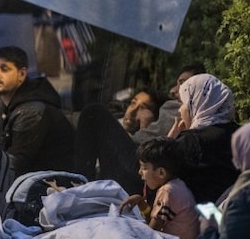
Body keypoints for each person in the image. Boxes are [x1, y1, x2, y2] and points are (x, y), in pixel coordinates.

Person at [74, 63, 203, 195]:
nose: (173, 90)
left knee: (94, 113)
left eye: (182, 83)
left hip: (142, 163)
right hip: (137, 164)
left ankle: (77, 183)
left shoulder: (184, 108)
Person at [0, 45, 76, 174]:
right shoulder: (9, 101)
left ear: (22, 74)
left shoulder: (30, 111)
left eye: (4, 69)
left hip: (51, 186)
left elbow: (14, 166)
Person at [168, 73, 242, 204]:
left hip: (203, 220)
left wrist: (169, 143)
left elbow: (156, 181)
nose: (180, 110)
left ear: (196, 103)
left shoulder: (191, 142)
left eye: (184, 102)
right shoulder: (242, 134)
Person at [120, 137, 199, 239]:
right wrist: (141, 202)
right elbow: (155, 220)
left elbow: (151, 232)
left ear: (161, 172)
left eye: (144, 168)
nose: (139, 172)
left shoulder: (167, 191)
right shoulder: (178, 185)